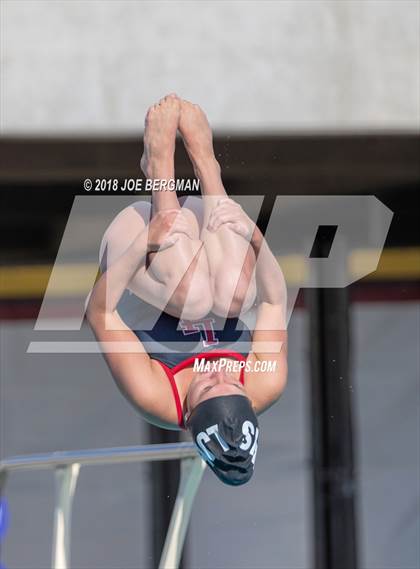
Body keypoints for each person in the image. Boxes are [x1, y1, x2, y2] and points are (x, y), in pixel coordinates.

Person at [86, 94, 288, 486]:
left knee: (194, 298)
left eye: (208, 387)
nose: (218, 374)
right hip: (204, 230)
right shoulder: (266, 381)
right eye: (233, 383)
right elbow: (275, 299)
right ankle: (207, 168)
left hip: (138, 246)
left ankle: (159, 166)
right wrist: (255, 237)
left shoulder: (153, 395)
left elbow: (100, 313)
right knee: (232, 294)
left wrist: (146, 241)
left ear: (190, 413)